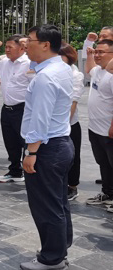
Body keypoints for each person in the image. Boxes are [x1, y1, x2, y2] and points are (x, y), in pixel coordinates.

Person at [19, 24, 74, 270]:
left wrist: (31, 153)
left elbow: (40, 119)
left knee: (46, 206)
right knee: (58, 202)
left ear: (45, 44)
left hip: (46, 148)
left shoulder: (45, 77)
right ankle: (59, 248)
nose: (25, 45)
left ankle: (52, 259)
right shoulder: (61, 68)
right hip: (60, 143)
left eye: (29, 41)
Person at [0, 35, 32, 182]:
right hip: (7, 108)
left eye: (11, 47)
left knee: (25, 142)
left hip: (23, 108)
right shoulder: (4, 62)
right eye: (7, 46)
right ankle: (15, 171)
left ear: (22, 48)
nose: (7, 49)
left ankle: (30, 174)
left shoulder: (29, 63)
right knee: (10, 142)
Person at [84, 39, 113, 209]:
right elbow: (89, 70)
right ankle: (108, 193)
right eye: (96, 51)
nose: (97, 55)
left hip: (108, 130)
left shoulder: (111, 75)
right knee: (103, 163)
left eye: (101, 52)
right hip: (95, 128)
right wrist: (89, 54)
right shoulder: (98, 71)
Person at [58, 44, 84, 201]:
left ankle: (72, 186)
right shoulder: (55, 71)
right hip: (55, 124)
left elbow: (73, 102)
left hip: (69, 124)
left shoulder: (76, 75)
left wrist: (64, 125)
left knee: (73, 156)